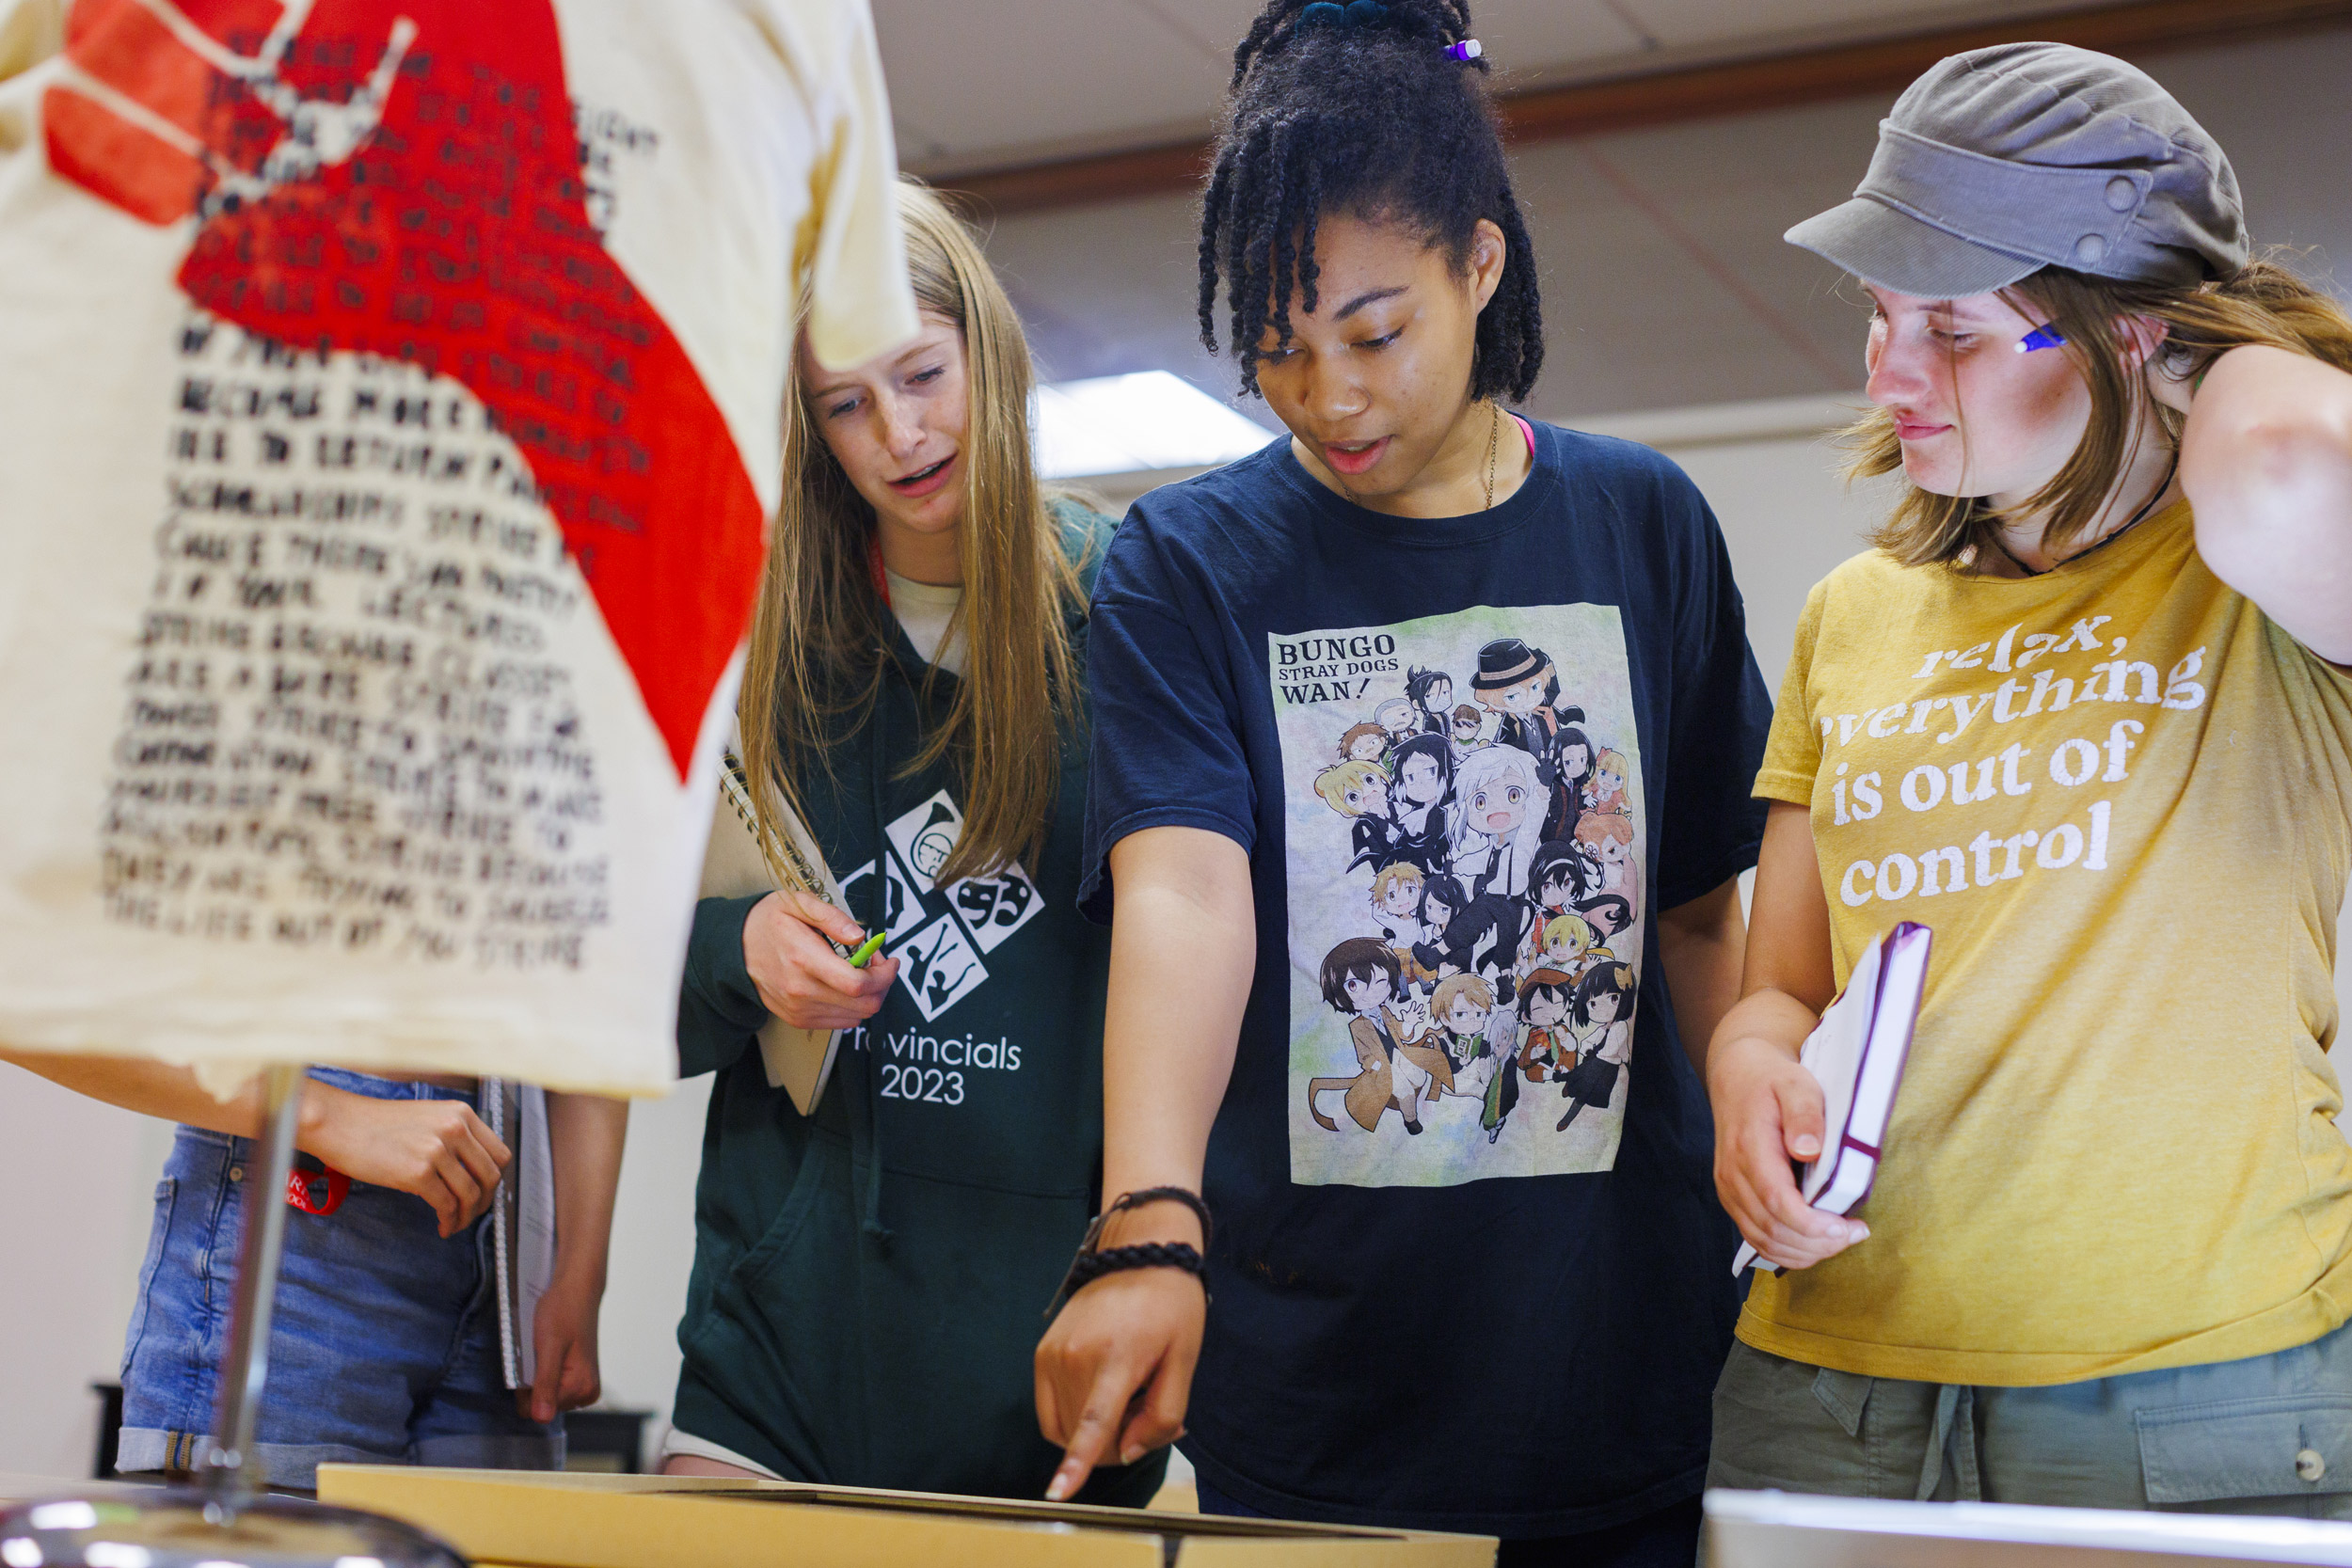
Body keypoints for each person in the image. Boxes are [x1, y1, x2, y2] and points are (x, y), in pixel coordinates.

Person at [1033, 1, 1772, 1559]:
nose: (1329, 396)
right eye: (1278, 352)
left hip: (1621, 1374)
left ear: (1480, 266)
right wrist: (1147, 1221)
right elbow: (1184, 896)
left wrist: (1778, 1181)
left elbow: (1700, 914)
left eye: (1374, 332)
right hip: (1316, 1396)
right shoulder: (1188, 562)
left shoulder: (1643, 524)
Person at [1707, 43, 2352, 1513]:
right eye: (1879, 316)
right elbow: (1781, 984)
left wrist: (2190, 327)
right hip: (1830, 1380)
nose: (1886, 372)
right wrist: (1749, 1076)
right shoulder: (1851, 611)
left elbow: (2289, 464)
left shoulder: (2258, 574)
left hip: (2205, 1381)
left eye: (1949, 324)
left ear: (2124, 335)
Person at [661, 180, 1162, 1505]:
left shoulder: (1136, 607)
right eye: (845, 404)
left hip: (1049, 1347)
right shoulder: (753, 635)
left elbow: (1202, 977)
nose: (900, 431)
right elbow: (616, 991)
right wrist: (739, 948)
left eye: (922, 374)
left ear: (984, 353)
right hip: (781, 1349)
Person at [0, 1052, 625, 1489]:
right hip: (303, 1223)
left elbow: (600, 985)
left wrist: (580, 1268)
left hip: (509, 1225)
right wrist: (325, 1114)